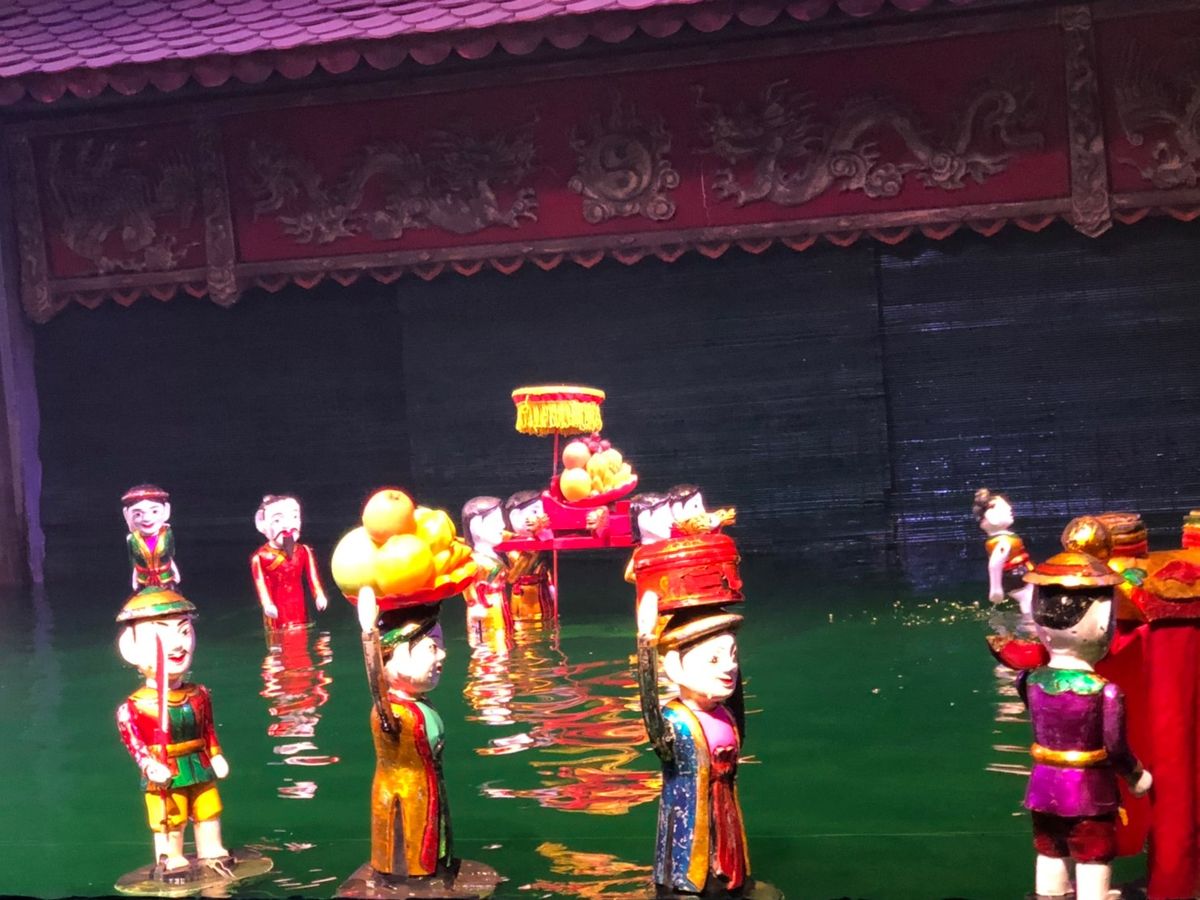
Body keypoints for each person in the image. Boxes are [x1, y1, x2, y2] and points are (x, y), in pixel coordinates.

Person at [1019, 551, 1152, 900]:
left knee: (1050, 848)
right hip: (1090, 790)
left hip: (1042, 785)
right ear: (1103, 623)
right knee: (1094, 851)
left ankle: (1050, 894)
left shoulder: (1029, 680)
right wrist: (1136, 776)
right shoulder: (1103, 692)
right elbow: (1116, 746)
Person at [636, 591, 750, 897]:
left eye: (733, 656)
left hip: (725, 813)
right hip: (687, 821)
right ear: (675, 668)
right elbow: (650, 715)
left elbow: (738, 701)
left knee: (729, 878)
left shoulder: (726, 714)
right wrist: (645, 643)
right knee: (687, 883)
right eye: (714, 659)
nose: (729, 667)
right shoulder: (675, 721)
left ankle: (731, 881)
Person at [115, 588, 230, 879]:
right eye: (162, 636)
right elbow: (136, 745)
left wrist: (216, 755)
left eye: (184, 632)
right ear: (130, 648)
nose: (178, 645)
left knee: (208, 808)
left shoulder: (200, 695)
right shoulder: (135, 706)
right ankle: (172, 857)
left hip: (199, 764)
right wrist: (149, 765)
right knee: (171, 816)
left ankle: (212, 849)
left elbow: (208, 729)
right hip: (165, 769)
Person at [355, 587, 452, 882]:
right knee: (405, 845)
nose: (443, 655)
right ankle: (407, 878)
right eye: (432, 648)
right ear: (394, 658)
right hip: (403, 794)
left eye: (440, 646)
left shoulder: (420, 703)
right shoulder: (390, 712)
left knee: (432, 840)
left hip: (430, 789)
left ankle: (433, 867)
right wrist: (369, 636)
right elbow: (375, 682)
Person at [249, 494, 328, 630]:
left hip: (299, 603)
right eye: (277, 520)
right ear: (261, 524)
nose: (288, 525)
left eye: (294, 517)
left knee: (301, 630)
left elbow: (313, 577)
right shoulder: (261, 557)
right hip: (277, 606)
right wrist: (267, 604)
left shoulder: (303, 551)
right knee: (279, 634)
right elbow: (261, 584)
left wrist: (319, 595)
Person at [461, 496, 513, 651]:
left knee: (503, 642)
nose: (502, 525)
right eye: (495, 521)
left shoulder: (497, 557)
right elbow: (466, 585)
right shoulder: (472, 560)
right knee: (486, 648)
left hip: (499, 603)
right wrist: (474, 602)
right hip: (483, 609)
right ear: (476, 526)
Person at [973, 487, 1034, 613]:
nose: (1010, 510)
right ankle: (1029, 620)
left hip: (1022, 572)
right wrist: (995, 589)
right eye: (1006, 509)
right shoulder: (1003, 541)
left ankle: (1030, 617)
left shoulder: (1005, 538)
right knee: (1027, 596)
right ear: (992, 516)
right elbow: (994, 564)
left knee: (1030, 595)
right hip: (1016, 576)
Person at [502, 490, 555, 626]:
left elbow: (545, 565)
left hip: (543, 591)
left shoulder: (542, 538)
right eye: (534, 512)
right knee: (526, 626)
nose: (538, 517)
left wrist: (551, 584)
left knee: (547, 622)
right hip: (524, 596)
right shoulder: (512, 545)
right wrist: (531, 545)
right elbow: (514, 576)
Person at [122, 484, 179, 591]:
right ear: (127, 515)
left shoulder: (167, 535)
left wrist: (175, 572)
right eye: (138, 514)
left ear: (166, 511)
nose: (147, 518)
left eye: (154, 511)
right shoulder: (132, 540)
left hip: (165, 578)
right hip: (144, 580)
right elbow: (134, 562)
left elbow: (170, 556)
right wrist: (134, 579)